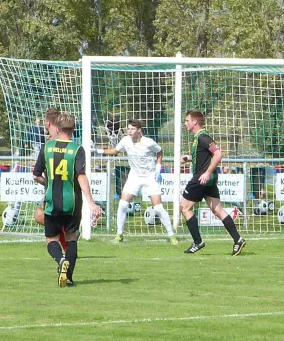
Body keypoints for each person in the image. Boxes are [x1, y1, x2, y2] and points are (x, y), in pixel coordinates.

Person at [33, 113, 102, 287]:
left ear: (57, 128)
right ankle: (68, 277)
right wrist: (91, 202)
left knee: (51, 239)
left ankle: (60, 259)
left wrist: (49, 183)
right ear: (73, 129)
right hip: (72, 202)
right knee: (71, 238)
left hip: (51, 201)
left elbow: (36, 175)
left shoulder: (47, 147)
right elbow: (81, 176)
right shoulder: (77, 150)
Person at [95, 119, 178, 245]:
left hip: (150, 177)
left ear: (139, 130)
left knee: (158, 207)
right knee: (122, 204)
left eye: (132, 129)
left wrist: (157, 169)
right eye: (128, 129)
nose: (129, 131)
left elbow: (159, 152)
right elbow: (115, 151)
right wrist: (98, 150)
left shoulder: (148, 142)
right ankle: (119, 234)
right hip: (134, 176)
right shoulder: (125, 141)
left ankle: (171, 235)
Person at [179, 110, 246, 255]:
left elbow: (218, 153)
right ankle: (238, 239)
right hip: (208, 179)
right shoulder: (199, 138)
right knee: (217, 210)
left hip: (201, 179)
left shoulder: (203, 137)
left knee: (184, 208)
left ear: (194, 122)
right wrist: (189, 158)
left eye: (187, 120)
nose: (185, 123)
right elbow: (205, 156)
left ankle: (198, 242)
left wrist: (207, 172)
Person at [33, 108, 69, 251]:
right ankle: (67, 239)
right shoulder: (66, 140)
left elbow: (36, 175)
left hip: (54, 189)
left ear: (47, 122)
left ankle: (66, 242)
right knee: (41, 215)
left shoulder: (49, 144)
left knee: (42, 216)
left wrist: (48, 183)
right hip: (68, 188)